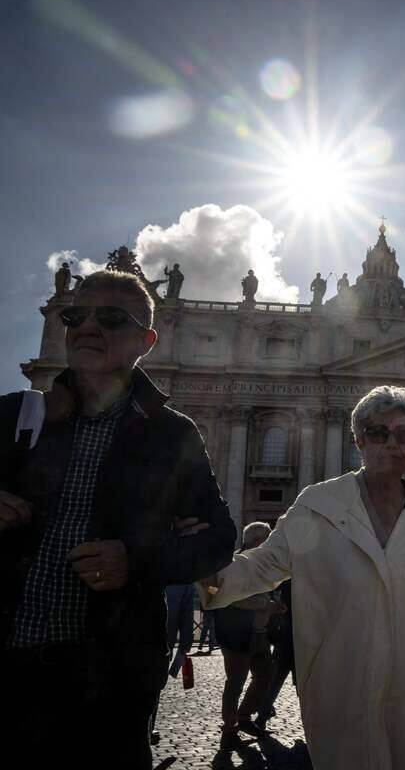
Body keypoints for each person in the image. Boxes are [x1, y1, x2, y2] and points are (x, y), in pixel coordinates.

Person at [0, 269, 237, 769]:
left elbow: (218, 539)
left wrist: (137, 559)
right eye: (75, 316)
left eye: (110, 318)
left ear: (146, 341)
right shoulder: (13, 416)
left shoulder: (172, 434)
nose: (87, 327)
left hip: (108, 677)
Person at [199, 386, 405, 769]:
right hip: (340, 687)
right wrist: (202, 577)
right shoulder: (318, 506)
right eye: (379, 433)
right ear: (359, 439)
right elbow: (264, 564)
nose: (392, 444)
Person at [212, 522, 287, 751]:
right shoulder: (232, 564)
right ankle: (229, 725)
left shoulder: (263, 565)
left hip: (260, 633)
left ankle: (244, 716)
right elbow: (227, 597)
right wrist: (267, 604)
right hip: (236, 633)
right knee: (235, 681)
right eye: (267, 540)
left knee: (265, 676)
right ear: (256, 542)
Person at [255, 578, 296, 732]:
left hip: (284, 637)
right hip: (299, 638)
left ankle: (262, 716)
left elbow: (277, 609)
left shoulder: (284, 581)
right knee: (303, 683)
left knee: (275, 680)